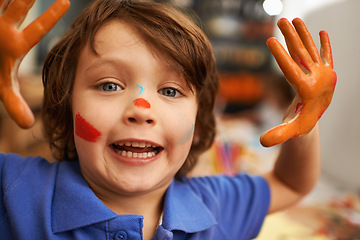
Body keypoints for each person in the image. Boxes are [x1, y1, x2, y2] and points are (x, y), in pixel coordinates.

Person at [0, 0, 336, 239]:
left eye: (171, 91)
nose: (141, 109)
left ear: (200, 120)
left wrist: (307, 121)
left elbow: (291, 184)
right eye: (109, 85)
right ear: (65, 104)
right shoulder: (16, 192)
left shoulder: (215, 207)